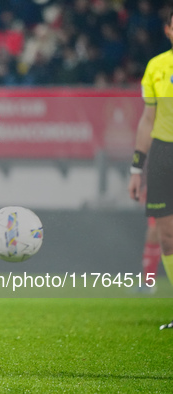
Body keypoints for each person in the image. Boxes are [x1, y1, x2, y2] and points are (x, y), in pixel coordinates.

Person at [128, 11, 173, 330]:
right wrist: (136, 167)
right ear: (169, 30)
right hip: (163, 153)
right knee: (167, 235)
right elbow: (147, 119)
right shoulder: (157, 66)